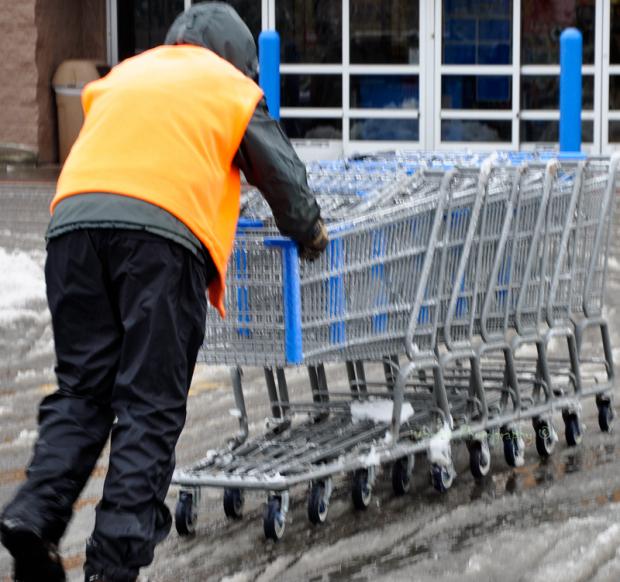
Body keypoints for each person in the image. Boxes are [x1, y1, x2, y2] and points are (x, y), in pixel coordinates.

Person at [0, 3, 327, 581]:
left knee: (83, 392)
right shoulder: (227, 85)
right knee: (148, 406)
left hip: (71, 225)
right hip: (158, 239)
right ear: (238, 59)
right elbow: (281, 175)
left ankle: (34, 514)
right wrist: (311, 233)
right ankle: (113, 565)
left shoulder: (126, 72)